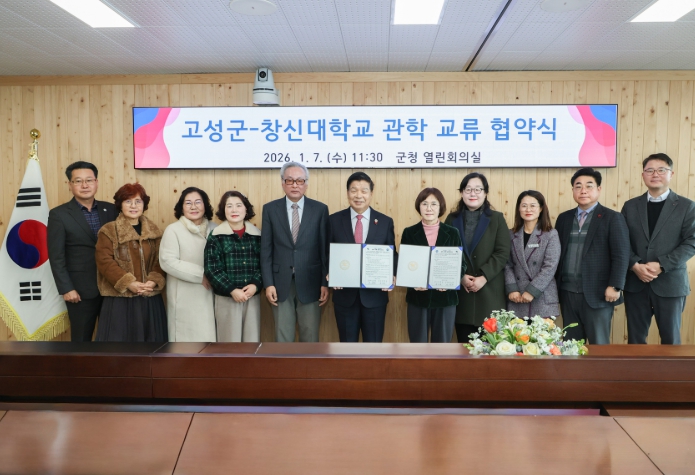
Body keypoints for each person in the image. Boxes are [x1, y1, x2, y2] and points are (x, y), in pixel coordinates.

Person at [621, 153, 695, 344]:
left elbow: (691, 242)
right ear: (643, 175)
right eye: (650, 170)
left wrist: (662, 264)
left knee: (671, 341)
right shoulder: (630, 206)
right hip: (636, 283)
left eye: (661, 170)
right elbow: (621, 242)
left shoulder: (687, 206)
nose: (655, 174)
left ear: (671, 174)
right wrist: (634, 265)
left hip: (671, 283)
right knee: (635, 341)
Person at [555, 168, 629, 345]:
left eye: (589, 186)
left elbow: (621, 254)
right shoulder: (564, 218)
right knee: (571, 346)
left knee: (599, 347)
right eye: (578, 186)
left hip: (599, 293)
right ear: (573, 190)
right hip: (567, 293)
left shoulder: (612, 218)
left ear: (599, 189)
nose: (583, 191)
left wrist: (615, 285)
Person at [47, 161, 117, 342]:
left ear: (96, 182)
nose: (84, 185)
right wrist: (67, 288)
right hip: (80, 290)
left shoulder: (111, 209)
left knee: (113, 338)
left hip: (112, 287)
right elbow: (56, 256)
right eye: (78, 181)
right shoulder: (59, 215)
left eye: (89, 180)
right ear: (70, 185)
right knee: (81, 340)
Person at [261, 162, 330, 342]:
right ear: (282, 183)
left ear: (306, 183)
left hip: (311, 281)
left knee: (310, 335)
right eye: (289, 180)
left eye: (300, 181)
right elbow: (266, 249)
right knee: (282, 336)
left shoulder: (320, 209)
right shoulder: (270, 209)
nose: (295, 185)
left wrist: (325, 282)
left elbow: (324, 250)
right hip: (279, 283)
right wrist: (268, 283)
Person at [328, 172, 396, 342]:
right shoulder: (334, 220)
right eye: (354, 190)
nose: (359, 195)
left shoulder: (385, 222)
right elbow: (326, 252)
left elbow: (391, 253)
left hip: (375, 297)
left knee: (373, 348)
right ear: (347, 193)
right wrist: (329, 272)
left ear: (371, 193)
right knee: (347, 347)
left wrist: (392, 274)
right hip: (344, 296)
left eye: (364, 191)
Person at [95, 183, 167, 342]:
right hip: (119, 300)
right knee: (119, 348)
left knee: (152, 347)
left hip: (149, 298)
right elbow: (104, 261)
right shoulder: (109, 230)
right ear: (120, 205)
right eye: (128, 201)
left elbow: (161, 260)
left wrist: (153, 281)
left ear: (144, 205)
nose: (133, 206)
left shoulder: (155, 231)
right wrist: (128, 283)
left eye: (138, 201)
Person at [445, 173, 511, 342]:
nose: (472, 193)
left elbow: (502, 252)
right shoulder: (452, 219)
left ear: (485, 193)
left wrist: (484, 277)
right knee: (464, 348)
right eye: (468, 189)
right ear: (461, 193)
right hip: (462, 295)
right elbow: (446, 252)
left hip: (489, 294)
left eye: (478, 189)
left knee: (491, 350)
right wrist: (460, 276)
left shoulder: (497, 218)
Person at [401, 188, 463, 343]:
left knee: (442, 346)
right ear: (419, 206)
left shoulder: (452, 233)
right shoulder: (409, 232)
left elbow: (461, 264)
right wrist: (412, 282)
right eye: (425, 203)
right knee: (417, 345)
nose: (429, 208)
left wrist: (450, 281)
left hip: (445, 298)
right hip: (418, 298)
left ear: (440, 207)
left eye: (434, 204)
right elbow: (403, 264)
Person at [159, 187, 217, 342]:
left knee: (211, 344)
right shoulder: (173, 230)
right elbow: (167, 261)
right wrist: (200, 274)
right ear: (181, 207)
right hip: (185, 296)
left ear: (205, 205)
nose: (193, 207)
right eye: (188, 203)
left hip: (213, 293)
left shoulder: (215, 228)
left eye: (198, 202)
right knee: (187, 344)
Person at [204, 191, 262, 342]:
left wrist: (255, 284)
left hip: (252, 297)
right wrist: (232, 290)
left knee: (251, 343)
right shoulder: (215, 235)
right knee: (229, 345)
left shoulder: (257, 235)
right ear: (223, 210)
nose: (234, 210)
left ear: (246, 209)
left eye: (238, 205)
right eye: (229, 206)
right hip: (226, 298)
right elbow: (212, 268)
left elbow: (264, 264)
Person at [504, 190, 561, 318]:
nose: (528, 209)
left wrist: (532, 290)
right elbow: (507, 264)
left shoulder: (550, 234)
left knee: (542, 332)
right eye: (524, 205)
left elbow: (550, 266)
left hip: (542, 297)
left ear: (541, 209)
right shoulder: (511, 234)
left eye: (533, 205)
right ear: (518, 209)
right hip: (517, 297)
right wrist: (512, 288)